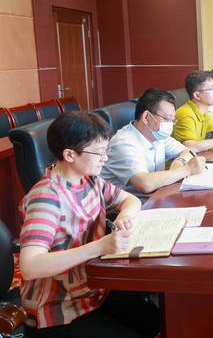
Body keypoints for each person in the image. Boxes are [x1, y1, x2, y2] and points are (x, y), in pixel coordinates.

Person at [19, 112, 160, 338]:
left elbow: (130, 200)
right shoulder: (46, 198)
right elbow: (30, 265)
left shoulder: (89, 179)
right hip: (59, 310)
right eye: (99, 153)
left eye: (106, 151)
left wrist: (124, 216)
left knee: (155, 321)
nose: (105, 158)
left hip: (95, 288)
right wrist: (99, 247)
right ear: (69, 154)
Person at [101, 88, 205, 194]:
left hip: (154, 195)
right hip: (129, 202)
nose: (170, 124)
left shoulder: (157, 135)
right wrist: (186, 170)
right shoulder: (123, 143)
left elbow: (188, 151)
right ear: (146, 117)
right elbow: (145, 184)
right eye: (167, 119)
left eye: (173, 120)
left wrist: (180, 161)